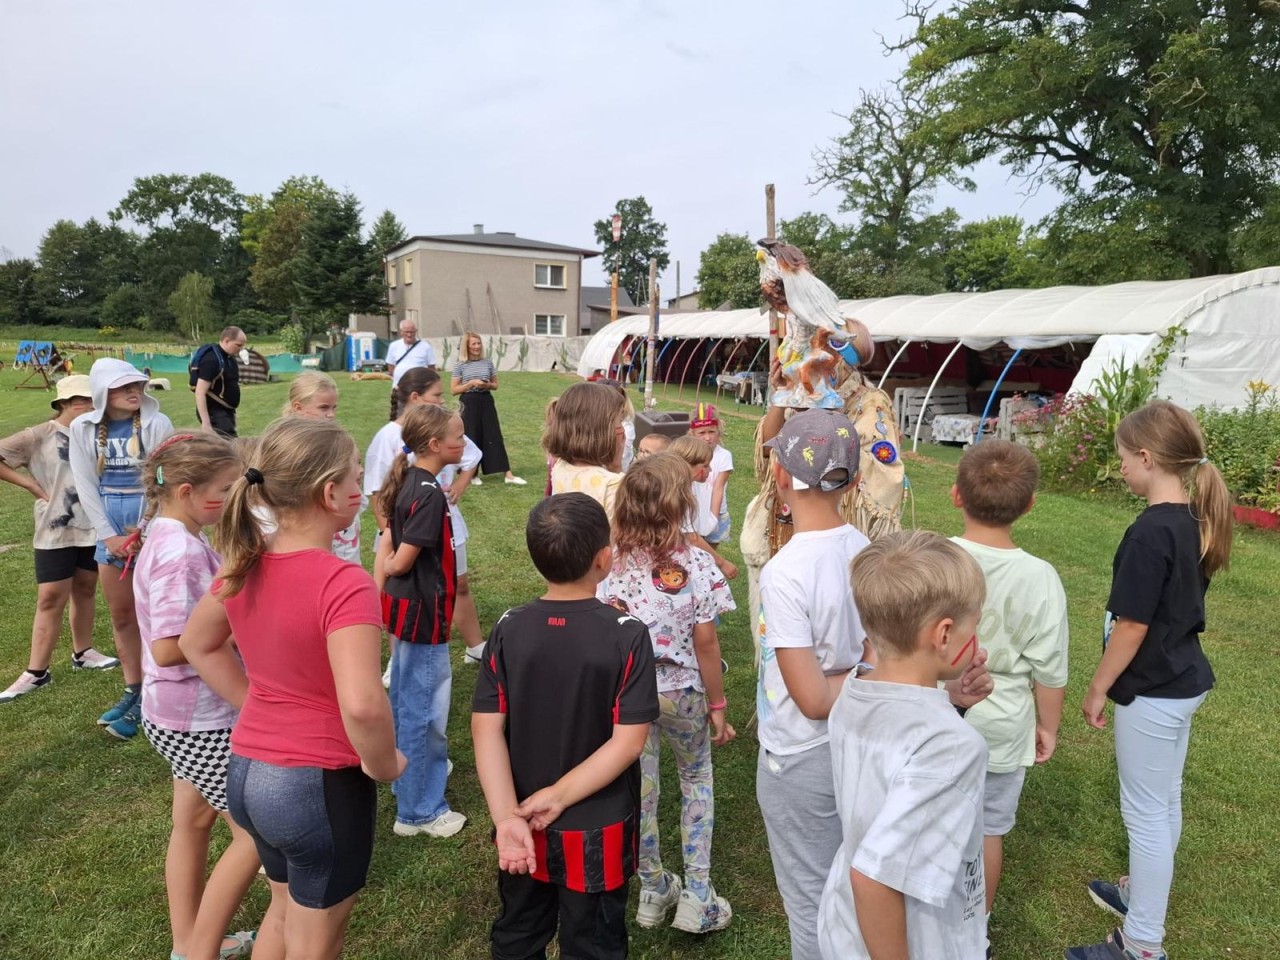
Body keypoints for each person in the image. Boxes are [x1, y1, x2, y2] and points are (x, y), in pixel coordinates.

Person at [757, 409, 993, 960]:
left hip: (802, 754)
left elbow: (813, 699)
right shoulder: (867, 553)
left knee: (813, 899)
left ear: (780, 474)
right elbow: (887, 662)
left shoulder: (785, 572)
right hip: (868, 737)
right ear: (855, 481)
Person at [179, 417, 403, 960]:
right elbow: (362, 704)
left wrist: (258, 702)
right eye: (356, 477)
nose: (363, 488)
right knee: (314, 942)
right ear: (329, 493)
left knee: (282, 912)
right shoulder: (342, 582)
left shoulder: (245, 563)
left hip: (248, 773)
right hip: (316, 785)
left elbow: (196, 643)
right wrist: (384, 764)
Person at [1066, 401, 1233, 960]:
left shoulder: (1150, 533)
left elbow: (1132, 625)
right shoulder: (1191, 521)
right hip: (1181, 680)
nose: (1119, 467)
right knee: (1163, 800)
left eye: (1122, 458)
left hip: (1154, 691)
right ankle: (1141, 894)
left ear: (1146, 457)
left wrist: (1098, 687)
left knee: (1146, 814)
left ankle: (1141, 944)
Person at [471, 493, 658, 960]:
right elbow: (628, 743)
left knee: (518, 934)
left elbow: (485, 730)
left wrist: (506, 818)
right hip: (596, 828)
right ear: (604, 558)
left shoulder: (509, 627)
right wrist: (556, 797)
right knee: (593, 944)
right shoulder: (627, 634)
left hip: (522, 820)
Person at [816, 530, 990, 960]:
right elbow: (874, 877)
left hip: (846, 928)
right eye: (975, 623)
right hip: (915, 941)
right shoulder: (953, 747)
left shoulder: (853, 691)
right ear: (944, 634)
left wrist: (949, 704)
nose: (977, 635)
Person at [132, 433, 264, 960]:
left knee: (192, 823)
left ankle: (187, 940)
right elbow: (169, 648)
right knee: (254, 836)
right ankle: (197, 950)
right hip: (199, 720)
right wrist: (235, 632)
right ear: (186, 490)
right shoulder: (181, 551)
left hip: (176, 715)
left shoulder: (173, 532)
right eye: (225, 490)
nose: (233, 498)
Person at [597, 454, 737, 934]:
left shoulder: (608, 564)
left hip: (629, 697)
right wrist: (718, 705)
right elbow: (706, 643)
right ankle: (697, 894)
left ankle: (653, 888)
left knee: (643, 789)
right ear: (681, 506)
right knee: (696, 777)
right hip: (684, 693)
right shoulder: (698, 563)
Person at [950, 440, 1069, 925]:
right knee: (988, 832)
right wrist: (1048, 727)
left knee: (926, 818)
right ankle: (974, 929)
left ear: (956, 494)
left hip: (935, 716)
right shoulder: (1041, 577)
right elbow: (1050, 668)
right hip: (1003, 726)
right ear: (1030, 504)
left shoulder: (938, 558)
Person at [376, 404, 468, 838]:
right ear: (434, 444)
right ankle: (419, 811)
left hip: (407, 612)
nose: (463, 442)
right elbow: (401, 559)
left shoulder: (412, 479)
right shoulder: (429, 494)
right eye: (458, 436)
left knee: (406, 702)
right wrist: (389, 566)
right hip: (422, 616)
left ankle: (408, 784)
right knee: (424, 711)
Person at [69, 357, 174, 739]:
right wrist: (108, 536)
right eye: (123, 386)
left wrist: (145, 527)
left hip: (151, 516)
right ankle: (134, 689)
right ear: (102, 392)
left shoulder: (157, 424)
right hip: (109, 522)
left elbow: (163, 479)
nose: (135, 391)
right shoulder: (82, 428)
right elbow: (85, 484)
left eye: (137, 385)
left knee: (157, 616)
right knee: (123, 615)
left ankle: (156, 696)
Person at [0, 375, 117, 704]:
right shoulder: (40, 434)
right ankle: (37, 672)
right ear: (62, 403)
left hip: (95, 526)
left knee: (85, 589)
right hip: (56, 529)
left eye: (90, 399)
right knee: (50, 597)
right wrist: (31, 486)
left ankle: (83, 652)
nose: (85, 405)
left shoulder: (101, 433)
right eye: (77, 399)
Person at [366, 369, 486, 670]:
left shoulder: (442, 434)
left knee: (452, 585)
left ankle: (474, 647)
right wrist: (392, 542)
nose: (443, 400)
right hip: (409, 539)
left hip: (437, 529)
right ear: (415, 398)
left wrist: (461, 483)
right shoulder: (390, 441)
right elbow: (377, 493)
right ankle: (399, 661)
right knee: (409, 597)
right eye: (437, 395)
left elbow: (472, 456)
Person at [282, 373, 361, 564]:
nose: (331, 414)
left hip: (341, 537)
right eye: (323, 407)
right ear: (298, 407)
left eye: (334, 407)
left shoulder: (337, 440)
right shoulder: (290, 447)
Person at [544, 381, 630, 521]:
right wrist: (616, 467)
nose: (623, 430)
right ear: (602, 431)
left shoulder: (560, 466)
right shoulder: (613, 485)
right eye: (619, 421)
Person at [452, 332, 525, 484]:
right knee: (472, 436)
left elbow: (495, 385)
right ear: (467, 346)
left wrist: (486, 385)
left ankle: (508, 474)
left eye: (479, 343)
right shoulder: (460, 364)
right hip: (469, 402)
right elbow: (454, 390)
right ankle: (472, 474)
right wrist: (471, 384)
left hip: (486, 400)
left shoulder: (487, 362)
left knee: (493, 434)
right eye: (474, 344)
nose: (477, 346)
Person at [668, 436, 739, 582]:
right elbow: (692, 538)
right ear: (687, 465)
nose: (710, 469)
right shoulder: (681, 495)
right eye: (705, 465)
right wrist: (722, 562)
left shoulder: (690, 486)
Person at [689, 404, 733, 548]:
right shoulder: (689, 455)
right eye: (702, 433)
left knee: (710, 553)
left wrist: (713, 518)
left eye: (711, 432)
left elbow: (718, 488)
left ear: (718, 432)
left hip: (716, 511)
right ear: (692, 434)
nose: (707, 437)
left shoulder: (724, 456)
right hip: (694, 512)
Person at [194, 327, 246, 438]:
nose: (241, 349)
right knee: (230, 444)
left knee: (228, 444)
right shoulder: (211, 360)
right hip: (214, 412)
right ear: (227, 341)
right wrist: (206, 423)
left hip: (225, 412)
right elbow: (200, 392)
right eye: (238, 345)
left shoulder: (229, 358)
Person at [386, 319, 437, 419]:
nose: (409, 335)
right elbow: (391, 366)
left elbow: (431, 369)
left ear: (416, 331)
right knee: (400, 415)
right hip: (399, 388)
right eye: (406, 332)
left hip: (419, 389)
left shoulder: (426, 347)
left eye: (412, 332)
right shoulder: (394, 346)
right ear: (401, 332)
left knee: (419, 416)